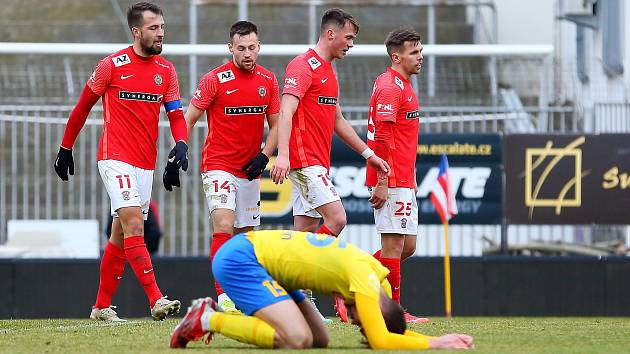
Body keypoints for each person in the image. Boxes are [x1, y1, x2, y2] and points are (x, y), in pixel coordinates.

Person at [53, 2, 184, 322]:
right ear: (136, 31)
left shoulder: (166, 71)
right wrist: (65, 148)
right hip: (114, 158)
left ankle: (100, 307)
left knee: (120, 235)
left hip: (144, 163)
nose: (160, 33)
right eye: (154, 28)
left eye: (162, 27)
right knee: (135, 225)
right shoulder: (112, 65)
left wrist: (180, 144)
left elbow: (177, 114)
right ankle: (156, 299)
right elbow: (82, 107)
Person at [268, 8, 389, 321]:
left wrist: (368, 154)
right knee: (336, 219)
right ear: (330, 33)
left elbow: (337, 120)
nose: (351, 43)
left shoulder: (329, 71)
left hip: (316, 161)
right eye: (349, 37)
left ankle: (296, 302)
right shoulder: (303, 65)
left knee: (303, 233)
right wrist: (282, 154)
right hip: (303, 160)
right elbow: (286, 110)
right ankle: (297, 282)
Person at [169, 230, 474, 350]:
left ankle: (210, 317)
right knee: (298, 339)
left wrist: (422, 337)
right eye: (362, 322)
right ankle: (207, 318)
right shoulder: (367, 283)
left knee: (319, 339)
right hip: (242, 258)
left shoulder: (376, 280)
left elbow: (388, 327)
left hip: (266, 265)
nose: (355, 321)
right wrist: (437, 343)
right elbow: (382, 339)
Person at [184, 20, 279, 314]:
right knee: (223, 225)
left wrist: (265, 155)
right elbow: (189, 118)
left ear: (259, 46)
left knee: (245, 236)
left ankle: (242, 293)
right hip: (218, 165)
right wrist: (180, 148)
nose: (248, 53)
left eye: (252, 47)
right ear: (231, 48)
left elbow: (276, 124)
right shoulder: (215, 79)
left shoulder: (269, 80)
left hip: (249, 169)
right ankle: (223, 296)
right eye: (241, 48)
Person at [361, 27, 428, 324]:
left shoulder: (400, 83)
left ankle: (355, 282)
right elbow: (383, 138)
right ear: (396, 56)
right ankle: (393, 312)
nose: (420, 57)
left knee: (407, 246)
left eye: (420, 50)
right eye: (414, 52)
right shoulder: (391, 87)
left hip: (403, 176)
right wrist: (383, 181)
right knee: (394, 246)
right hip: (391, 177)